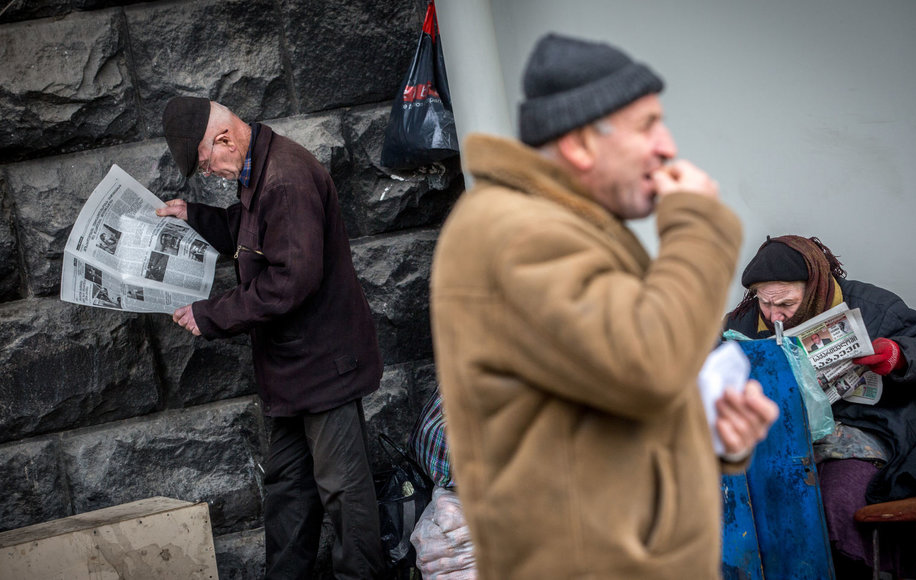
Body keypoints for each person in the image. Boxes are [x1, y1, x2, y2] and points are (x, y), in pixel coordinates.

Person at [430, 34, 779, 579]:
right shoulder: (514, 232)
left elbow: (600, 411)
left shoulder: (565, 227)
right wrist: (696, 225)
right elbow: (647, 364)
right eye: (647, 126)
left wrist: (710, 435)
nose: (667, 146)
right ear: (581, 144)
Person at [158, 97, 385, 579]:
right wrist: (193, 215)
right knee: (287, 493)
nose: (211, 174)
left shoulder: (284, 177)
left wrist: (211, 315)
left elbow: (291, 280)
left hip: (324, 369)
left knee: (345, 494)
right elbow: (251, 233)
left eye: (206, 164)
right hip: (293, 374)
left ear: (223, 139)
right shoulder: (256, 168)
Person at [723, 234, 916, 580]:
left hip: (869, 432)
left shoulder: (870, 305)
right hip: (784, 442)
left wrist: (898, 355)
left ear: (814, 286)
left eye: (786, 304)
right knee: (750, 501)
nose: (775, 315)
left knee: (833, 502)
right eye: (766, 303)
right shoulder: (744, 321)